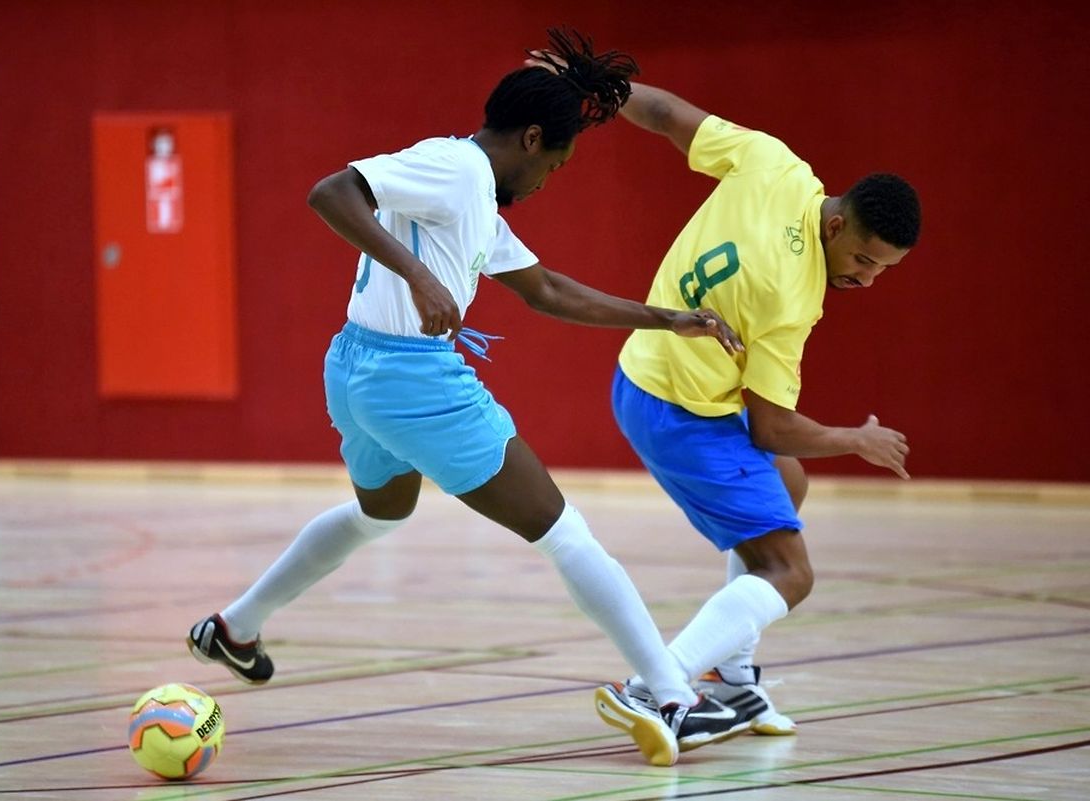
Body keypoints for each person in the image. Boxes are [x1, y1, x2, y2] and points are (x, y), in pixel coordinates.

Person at [187, 30, 757, 768]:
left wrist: (668, 317)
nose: (551, 177)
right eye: (555, 161)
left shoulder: (477, 198)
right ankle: (673, 696)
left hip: (357, 372)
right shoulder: (455, 167)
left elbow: (549, 290)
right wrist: (419, 278)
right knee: (565, 532)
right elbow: (332, 192)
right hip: (411, 378)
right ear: (529, 138)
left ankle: (234, 627)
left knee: (379, 512)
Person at [593, 78, 921, 737]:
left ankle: (732, 679)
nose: (867, 278)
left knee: (786, 479)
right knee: (791, 573)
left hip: (649, 371)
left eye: (884, 268)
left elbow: (663, 113)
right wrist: (856, 439)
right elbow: (774, 425)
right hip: (676, 411)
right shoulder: (792, 297)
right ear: (834, 224)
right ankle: (657, 687)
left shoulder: (776, 164)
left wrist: (598, 83)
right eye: (862, 258)